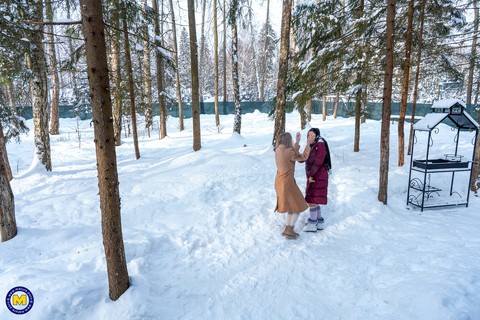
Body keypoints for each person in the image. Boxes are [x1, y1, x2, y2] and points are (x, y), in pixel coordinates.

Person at [274, 131, 315, 239]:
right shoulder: (289, 152)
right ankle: (289, 230)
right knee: (298, 206)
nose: (292, 141)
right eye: (291, 139)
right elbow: (303, 157)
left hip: (280, 182)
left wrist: (297, 142)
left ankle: (288, 229)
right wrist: (308, 144)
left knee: (292, 206)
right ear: (288, 141)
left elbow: (291, 153)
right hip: (287, 183)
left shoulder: (278, 149)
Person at [302, 128, 331, 232]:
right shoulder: (313, 144)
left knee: (312, 200)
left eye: (312, 135)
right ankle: (319, 222)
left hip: (317, 176)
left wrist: (311, 175)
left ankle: (312, 224)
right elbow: (304, 158)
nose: (310, 137)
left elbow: (318, 162)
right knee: (315, 200)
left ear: (317, 136)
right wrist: (307, 145)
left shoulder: (320, 145)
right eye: (308, 135)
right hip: (316, 175)